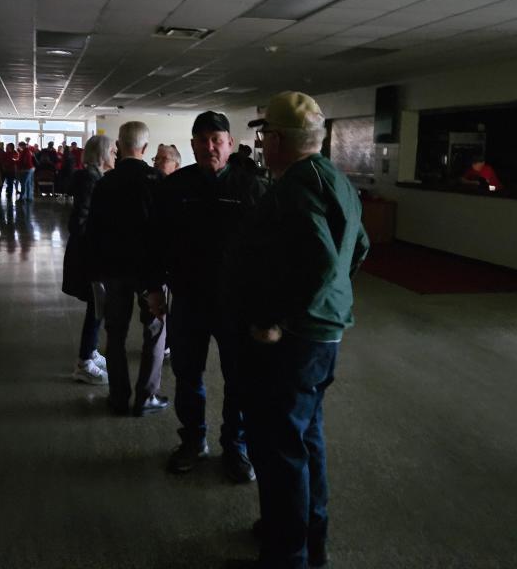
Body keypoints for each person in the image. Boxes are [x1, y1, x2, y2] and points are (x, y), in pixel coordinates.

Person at [228, 91, 369, 569]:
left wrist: (277, 320)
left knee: (280, 447)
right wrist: (329, 303)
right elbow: (359, 249)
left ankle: (286, 556)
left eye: (265, 133)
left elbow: (321, 261)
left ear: (282, 139)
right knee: (306, 438)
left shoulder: (295, 187)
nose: (262, 142)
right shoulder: (334, 178)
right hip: (324, 332)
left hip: (296, 340)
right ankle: (308, 540)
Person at [148, 111, 267, 482]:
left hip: (238, 305)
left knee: (239, 380)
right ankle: (193, 441)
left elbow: (269, 252)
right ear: (193, 144)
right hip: (188, 300)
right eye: (202, 140)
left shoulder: (253, 188)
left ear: (230, 144)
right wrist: (153, 288)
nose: (210, 147)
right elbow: (155, 243)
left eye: (217, 139)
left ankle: (236, 447)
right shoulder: (175, 188)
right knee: (187, 375)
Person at [86, 122, 168, 417]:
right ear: (145, 148)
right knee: (155, 332)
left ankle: (118, 396)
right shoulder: (157, 180)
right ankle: (147, 397)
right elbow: (165, 231)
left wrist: (95, 270)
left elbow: (92, 230)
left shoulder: (106, 182)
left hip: (114, 269)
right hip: (150, 272)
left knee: (116, 333)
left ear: (118, 146)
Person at [62, 135, 116, 384]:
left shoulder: (94, 178)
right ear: (103, 154)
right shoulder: (91, 181)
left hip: (89, 253)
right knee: (97, 305)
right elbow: (80, 223)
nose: (116, 156)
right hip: (90, 256)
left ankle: (90, 351)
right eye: (113, 152)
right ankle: (84, 362)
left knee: (97, 306)